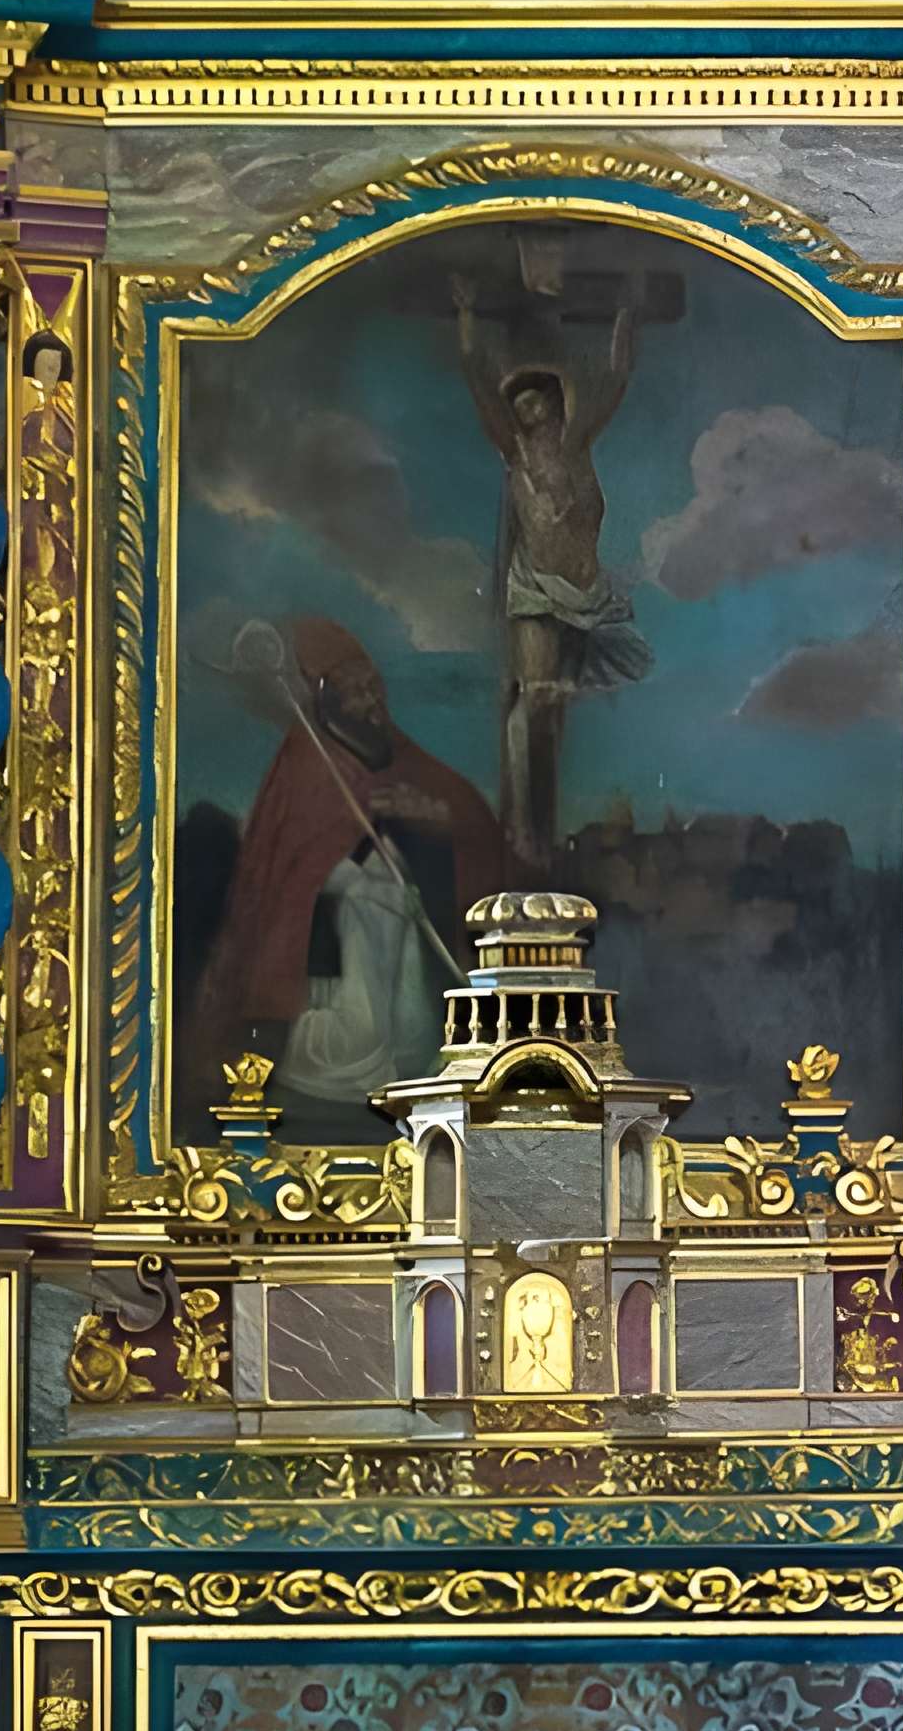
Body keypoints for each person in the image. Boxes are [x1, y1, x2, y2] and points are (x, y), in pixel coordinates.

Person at [194, 619, 500, 1125]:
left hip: (385, 890)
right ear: (329, 698)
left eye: (373, 687)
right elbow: (296, 858)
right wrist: (354, 846)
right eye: (357, 692)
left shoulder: (381, 747)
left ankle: (405, 1048)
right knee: (369, 907)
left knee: (396, 935)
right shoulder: (308, 757)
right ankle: (338, 1055)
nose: (371, 701)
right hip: (331, 904)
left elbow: (448, 812)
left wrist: (420, 818)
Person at [453, 273, 653, 874]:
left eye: (540, 401)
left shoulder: (579, 448)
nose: (531, 411)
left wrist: (625, 316)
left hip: (585, 596)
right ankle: (520, 822)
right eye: (522, 406)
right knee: (536, 697)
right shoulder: (514, 458)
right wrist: (467, 318)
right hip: (536, 590)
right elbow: (477, 384)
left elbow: (618, 376)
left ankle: (541, 827)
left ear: (558, 407)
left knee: (557, 706)